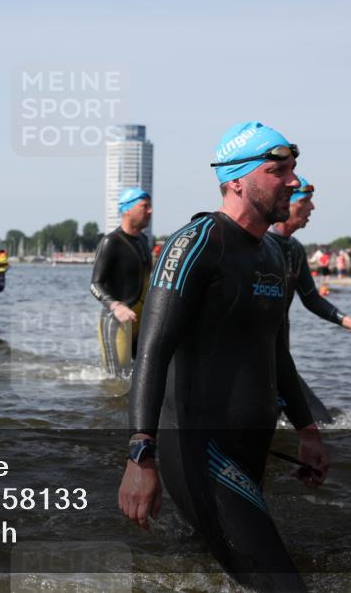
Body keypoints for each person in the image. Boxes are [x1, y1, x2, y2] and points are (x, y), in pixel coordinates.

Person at [119, 121, 329, 592]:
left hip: (249, 449)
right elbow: (151, 350)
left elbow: (278, 352)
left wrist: (308, 430)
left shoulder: (273, 253)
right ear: (236, 180)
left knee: (222, 575)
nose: (293, 181)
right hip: (200, 450)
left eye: (293, 169)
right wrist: (140, 457)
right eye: (278, 171)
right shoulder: (195, 244)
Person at [268, 177, 351, 422]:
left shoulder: (295, 249)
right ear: (285, 202)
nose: (312, 208)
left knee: (322, 424)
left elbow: (311, 298)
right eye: (305, 201)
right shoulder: (260, 244)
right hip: (255, 359)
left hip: (280, 358)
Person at [89, 188, 153, 376]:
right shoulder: (111, 242)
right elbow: (95, 284)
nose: (150, 211)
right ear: (127, 210)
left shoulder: (143, 240)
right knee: (117, 382)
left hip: (140, 322)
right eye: (144, 206)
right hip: (117, 322)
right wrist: (116, 306)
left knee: (145, 375)